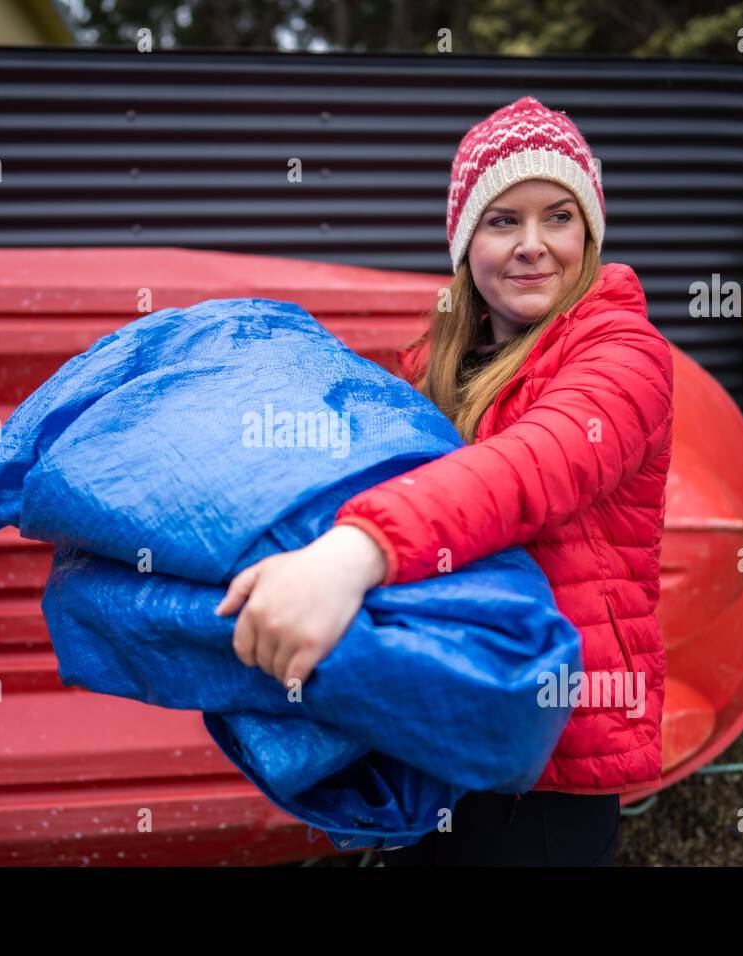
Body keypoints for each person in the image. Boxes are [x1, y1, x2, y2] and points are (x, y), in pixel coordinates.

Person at [214, 96, 674, 866]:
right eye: (503, 221)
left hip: (548, 754)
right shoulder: (434, 364)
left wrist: (356, 551)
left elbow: (530, 465)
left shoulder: (624, 356)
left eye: (559, 217)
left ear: (589, 233)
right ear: (466, 243)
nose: (533, 245)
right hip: (433, 721)